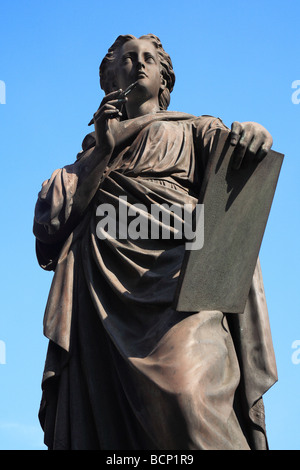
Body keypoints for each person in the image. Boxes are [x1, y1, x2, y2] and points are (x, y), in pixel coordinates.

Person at [33, 34, 277, 450]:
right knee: (109, 427)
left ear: (164, 78)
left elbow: (233, 155)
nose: (139, 64)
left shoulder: (195, 129)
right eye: (128, 59)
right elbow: (49, 222)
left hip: (182, 281)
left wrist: (255, 133)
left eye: (149, 58)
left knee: (189, 399)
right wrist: (101, 153)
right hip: (102, 297)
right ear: (112, 78)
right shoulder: (93, 152)